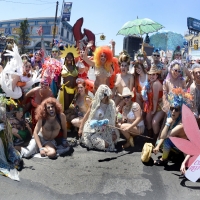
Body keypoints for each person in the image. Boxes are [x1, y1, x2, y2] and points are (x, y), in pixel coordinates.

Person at [153, 88, 193, 165]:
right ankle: (168, 157)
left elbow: (165, 136)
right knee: (159, 142)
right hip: (174, 141)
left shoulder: (181, 123)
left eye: (176, 109)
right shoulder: (170, 115)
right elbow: (162, 136)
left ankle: (166, 159)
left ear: (180, 111)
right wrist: (157, 146)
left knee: (166, 141)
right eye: (172, 109)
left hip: (183, 146)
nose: (173, 111)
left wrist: (167, 124)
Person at [79, 84, 119, 151]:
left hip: (106, 129)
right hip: (93, 126)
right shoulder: (94, 103)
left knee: (95, 140)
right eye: (102, 94)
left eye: (105, 94)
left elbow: (112, 120)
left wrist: (113, 132)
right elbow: (87, 116)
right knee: (90, 138)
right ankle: (103, 144)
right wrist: (80, 128)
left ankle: (107, 144)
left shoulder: (111, 104)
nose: (104, 96)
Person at [144, 65, 164, 143]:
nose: (152, 76)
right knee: (148, 118)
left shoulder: (156, 84)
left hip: (161, 106)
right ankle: (150, 136)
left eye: (154, 74)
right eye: (150, 74)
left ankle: (155, 139)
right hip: (153, 105)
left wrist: (154, 111)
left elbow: (155, 99)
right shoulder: (149, 82)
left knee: (154, 122)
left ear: (157, 75)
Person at [190, 63, 200, 128]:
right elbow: (193, 105)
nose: (198, 74)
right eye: (196, 73)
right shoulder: (193, 87)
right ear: (193, 75)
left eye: (199, 72)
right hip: (195, 110)